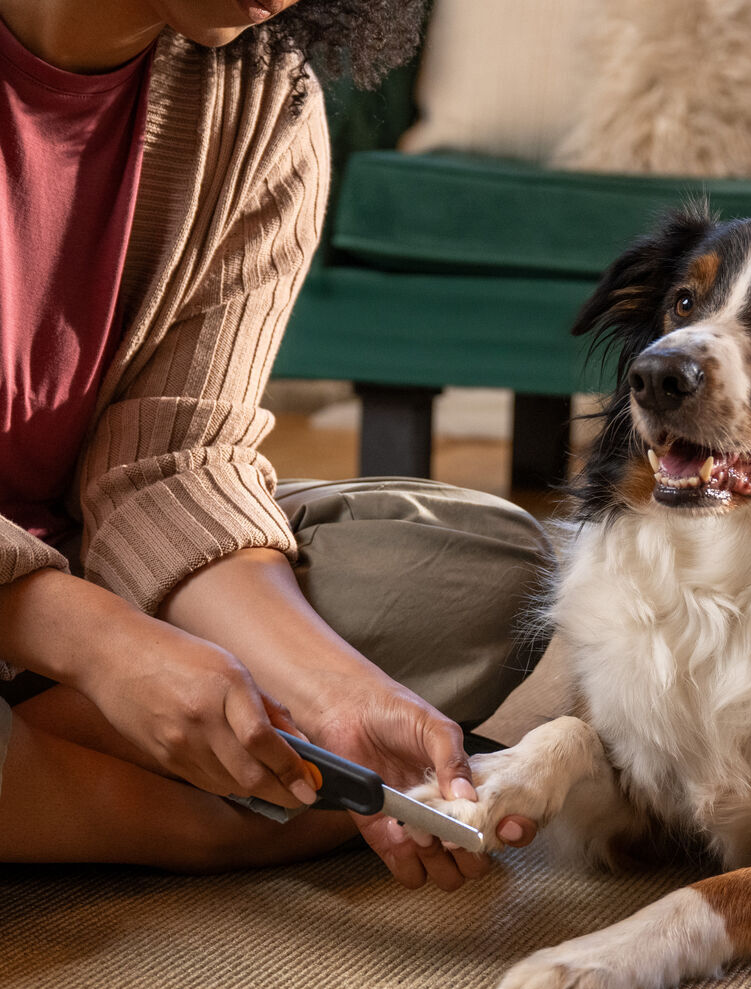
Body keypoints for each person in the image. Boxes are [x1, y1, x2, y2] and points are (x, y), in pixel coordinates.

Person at [0, 0, 546, 888]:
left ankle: (76, 746)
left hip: (77, 558)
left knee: (477, 568)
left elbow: (176, 460)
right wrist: (99, 645)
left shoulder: (263, 98)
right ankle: (171, 811)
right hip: (53, 607)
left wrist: (337, 695)